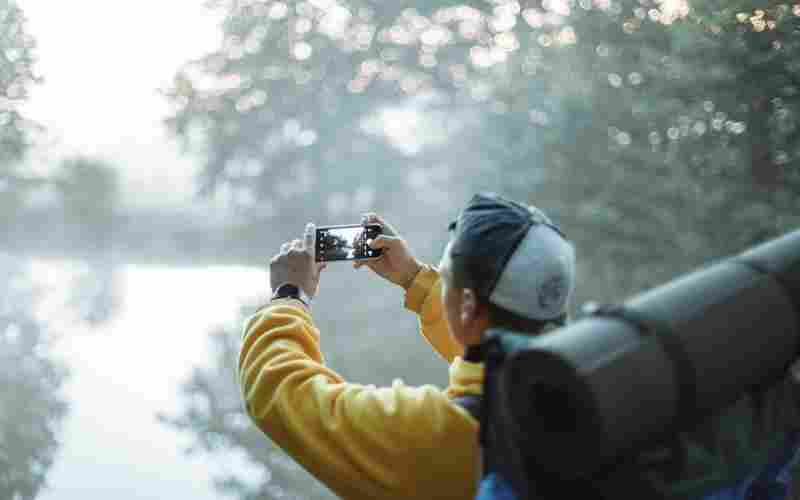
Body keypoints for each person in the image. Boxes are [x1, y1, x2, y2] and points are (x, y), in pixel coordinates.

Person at [237, 193, 576, 500]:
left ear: (469, 307)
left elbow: (282, 392)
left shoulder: (440, 435)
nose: (442, 286)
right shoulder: (576, 380)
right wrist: (414, 278)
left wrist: (289, 296)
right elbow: (486, 345)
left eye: (446, 278)